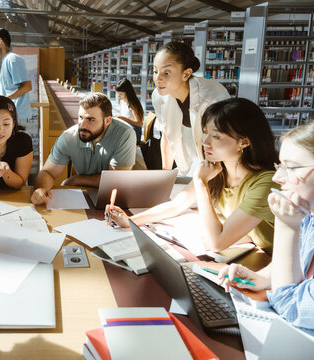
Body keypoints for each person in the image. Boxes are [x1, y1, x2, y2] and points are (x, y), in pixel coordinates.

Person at [108, 98, 278, 254]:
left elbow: (217, 243)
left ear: (244, 142)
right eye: (205, 132)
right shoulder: (217, 168)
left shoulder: (265, 183)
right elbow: (177, 205)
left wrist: (201, 182)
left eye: (216, 136)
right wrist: (130, 221)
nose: (205, 142)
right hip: (250, 254)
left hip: (274, 266)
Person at [218, 122, 314, 330]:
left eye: (292, 167)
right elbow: (299, 264)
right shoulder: (309, 217)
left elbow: (290, 306)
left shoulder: (297, 218)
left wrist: (286, 226)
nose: (278, 177)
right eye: (281, 165)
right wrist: (262, 277)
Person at [31, 93, 137, 205]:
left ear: (108, 121)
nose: (83, 126)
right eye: (81, 118)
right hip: (83, 196)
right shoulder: (69, 137)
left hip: (116, 197)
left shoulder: (125, 134)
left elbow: (115, 181)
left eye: (91, 119)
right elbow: (48, 172)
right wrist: (40, 189)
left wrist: (76, 179)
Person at [152, 41, 230, 175]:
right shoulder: (158, 97)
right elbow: (166, 136)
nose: (157, 79)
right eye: (155, 71)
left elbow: (224, 143)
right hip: (193, 164)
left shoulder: (212, 99)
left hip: (221, 165)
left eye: (166, 73)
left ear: (186, 74)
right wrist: (165, 174)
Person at [0, 28, 33, 128]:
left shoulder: (12, 59)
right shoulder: (6, 60)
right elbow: (10, 88)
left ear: (0, 41)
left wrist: (5, 98)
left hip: (17, 116)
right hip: (11, 115)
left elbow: (27, 86)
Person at [116, 78, 144, 144]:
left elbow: (139, 123)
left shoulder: (132, 104)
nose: (118, 96)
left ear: (127, 93)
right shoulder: (122, 102)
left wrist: (122, 118)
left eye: (121, 94)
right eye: (117, 93)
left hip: (134, 133)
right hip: (126, 130)